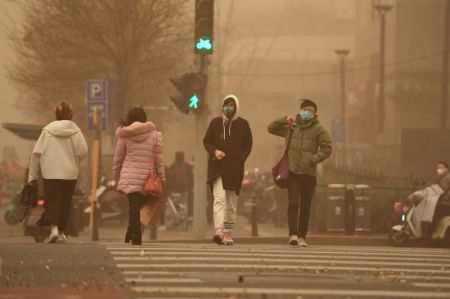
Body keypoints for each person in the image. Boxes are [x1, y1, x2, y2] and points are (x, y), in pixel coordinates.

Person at [268, 98, 332, 247]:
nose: (308, 113)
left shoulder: (319, 130)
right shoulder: (292, 127)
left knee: (305, 206)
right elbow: (270, 128)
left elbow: (327, 147)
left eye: (311, 111)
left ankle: (303, 236)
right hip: (293, 172)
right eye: (306, 110)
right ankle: (293, 234)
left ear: (315, 114)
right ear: (300, 111)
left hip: (309, 174)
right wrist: (285, 119)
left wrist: (313, 159)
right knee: (293, 203)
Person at [29, 101, 88, 243]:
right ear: (71, 115)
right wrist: (73, 158)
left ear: (56, 115)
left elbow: (36, 153)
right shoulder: (76, 132)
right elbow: (83, 152)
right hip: (69, 173)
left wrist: (32, 176)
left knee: (52, 202)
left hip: (50, 172)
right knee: (65, 203)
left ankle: (54, 229)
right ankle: (61, 232)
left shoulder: (47, 131)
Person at [203, 94, 253, 245]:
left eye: (232, 106)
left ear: (236, 107)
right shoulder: (215, 123)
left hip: (235, 170)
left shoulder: (243, 124)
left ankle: (228, 232)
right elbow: (207, 141)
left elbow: (248, 144)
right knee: (219, 199)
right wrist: (214, 151)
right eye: (226, 105)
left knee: (231, 203)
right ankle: (218, 231)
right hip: (218, 169)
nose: (229, 108)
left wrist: (240, 158)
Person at [113, 106, 165, 245]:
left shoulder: (124, 135)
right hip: (147, 178)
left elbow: (118, 159)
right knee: (139, 207)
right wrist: (162, 177)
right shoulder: (154, 135)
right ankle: (135, 233)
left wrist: (117, 176)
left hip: (129, 176)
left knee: (133, 206)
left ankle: (133, 232)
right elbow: (159, 159)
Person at [167, 151, 193, 221]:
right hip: (185, 188)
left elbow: (169, 177)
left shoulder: (173, 165)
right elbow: (191, 177)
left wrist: (169, 188)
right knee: (184, 203)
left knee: (175, 204)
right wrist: (191, 187)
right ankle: (184, 218)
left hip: (175, 189)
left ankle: (176, 219)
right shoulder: (187, 165)